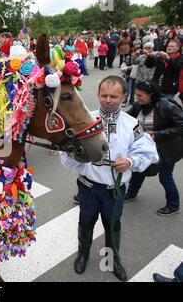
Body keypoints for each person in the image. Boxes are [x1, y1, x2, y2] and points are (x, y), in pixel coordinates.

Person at [60, 76, 159, 281]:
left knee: (112, 225)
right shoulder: (84, 121)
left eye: (113, 96)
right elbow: (67, 154)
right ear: (97, 95)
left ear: (123, 97)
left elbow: (149, 152)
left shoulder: (132, 125)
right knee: (86, 221)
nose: (107, 100)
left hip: (115, 190)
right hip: (87, 187)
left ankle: (112, 261)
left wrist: (130, 162)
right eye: (104, 95)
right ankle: (83, 254)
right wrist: (77, 155)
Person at [124, 82, 182, 216]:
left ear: (151, 95)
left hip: (168, 148)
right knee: (138, 169)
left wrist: (157, 134)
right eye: (136, 95)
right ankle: (132, 193)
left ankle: (173, 205)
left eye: (140, 95)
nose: (137, 98)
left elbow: (180, 126)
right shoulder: (138, 106)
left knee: (165, 177)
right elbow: (125, 119)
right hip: (146, 147)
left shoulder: (166, 106)